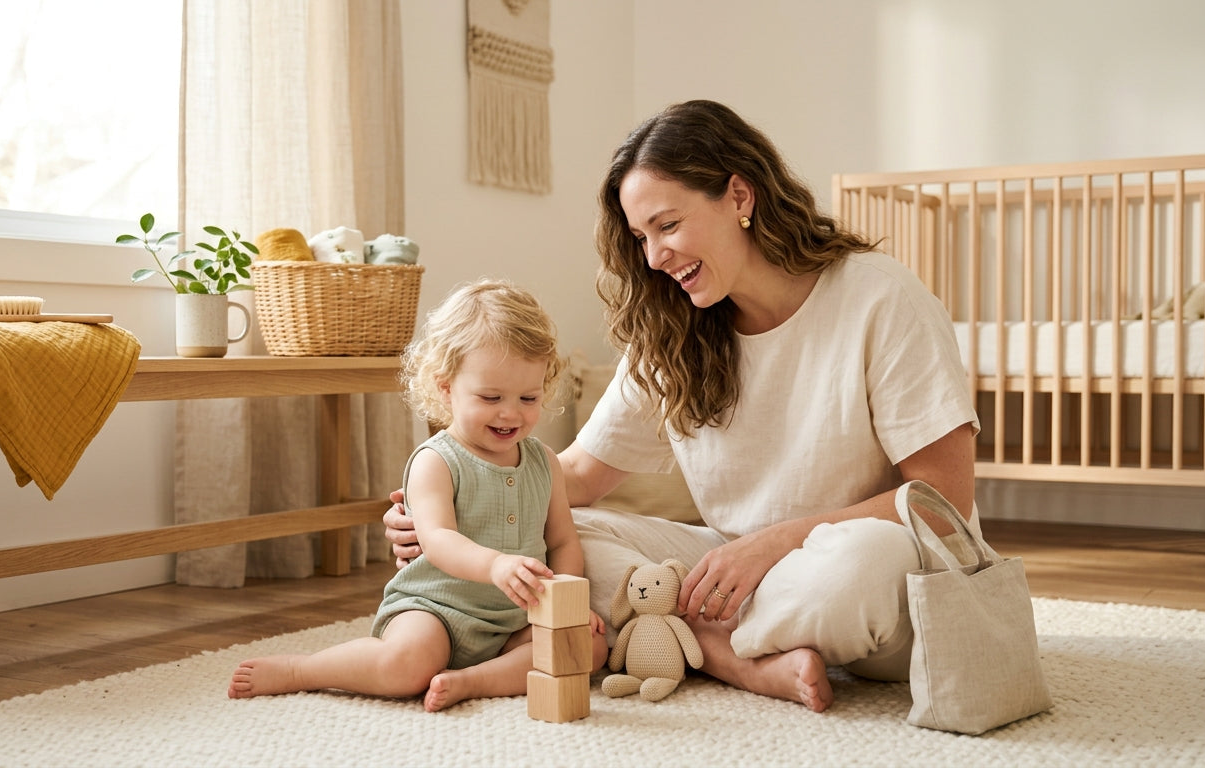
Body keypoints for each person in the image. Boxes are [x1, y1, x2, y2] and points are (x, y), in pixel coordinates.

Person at [384, 99, 979, 713]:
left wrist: (772, 545)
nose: (653, 257)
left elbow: (944, 501)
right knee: (570, 536)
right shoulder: (674, 328)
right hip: (728, 571)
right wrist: (450, 505)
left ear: (739, 196)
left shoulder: (880, 297)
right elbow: (575, 476)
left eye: (667, 226)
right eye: (641, 237)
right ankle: (731, 656)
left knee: (857, 565)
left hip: (859, 575)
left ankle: (694, 641)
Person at [229, 278, 607, 711]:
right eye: (490, 397)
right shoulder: (436, 460)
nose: (511, 412)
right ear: (446, 388)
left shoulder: (544, 462)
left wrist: (566, 600)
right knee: (405, 666)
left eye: (528, 397)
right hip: (436, 609)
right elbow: (438, 539)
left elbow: (562, 540)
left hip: (514, 620)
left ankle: (472, 682)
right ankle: (304, 670)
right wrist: (495, 565)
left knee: (588, 648)